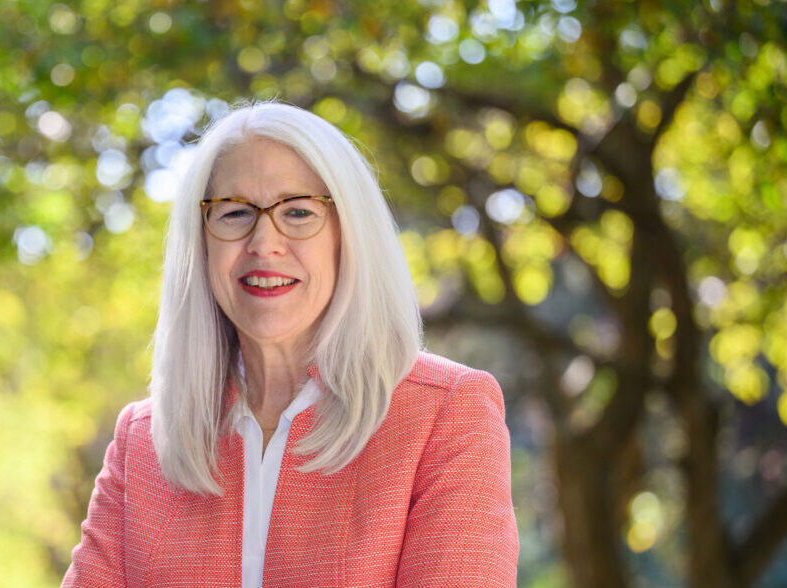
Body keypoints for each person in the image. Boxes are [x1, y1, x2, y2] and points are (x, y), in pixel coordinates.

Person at [63, 102, 518, 587]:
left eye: (298, 212)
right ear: (201, 242)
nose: (264, 241)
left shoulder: (445, 415)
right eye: (234, 212)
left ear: (350, 234)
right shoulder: (143, 441)